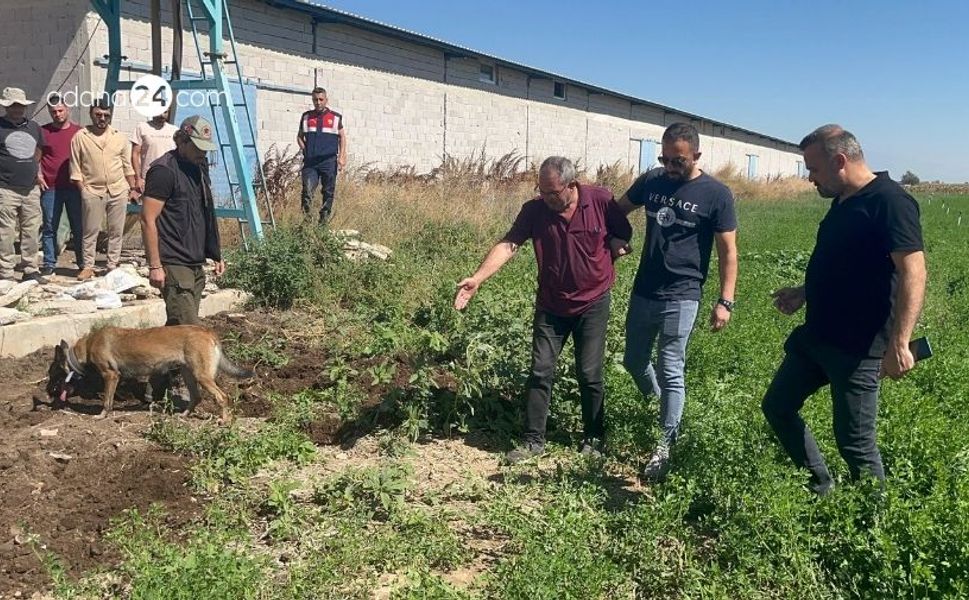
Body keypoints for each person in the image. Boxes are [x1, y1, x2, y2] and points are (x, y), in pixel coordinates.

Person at [761, 124, 926, 495]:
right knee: (777, 407)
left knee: (854, 442)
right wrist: (805, 292)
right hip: (817, 336)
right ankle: (822, 488)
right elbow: (848, 264)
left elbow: (913, 271)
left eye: (814, 169)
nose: (809, 179)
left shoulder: (890, 201)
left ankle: (873, 526)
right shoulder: (843, 200)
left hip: (858, 348)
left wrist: (899, 343)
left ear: (839, 161)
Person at [454, 156, 633, 464]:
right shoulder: (535, 210)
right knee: (540, 371)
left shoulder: (600, 200)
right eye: (542, 190)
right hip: (551, 304)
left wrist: (618, 242)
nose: (547, 198)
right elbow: (510, 243)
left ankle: (594, 438)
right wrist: (478, 278)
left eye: (553, 192)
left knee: (589, 373)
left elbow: (623, 232)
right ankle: (533, 441)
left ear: (572, 185)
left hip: (593, 302)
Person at [615, 122, 738, 480]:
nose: (670, 166)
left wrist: (725, 300)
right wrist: (614, 240)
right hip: (644, 290)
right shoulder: (652, 181)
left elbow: (728, 251)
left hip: (682, 295)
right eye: (665, 158)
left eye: (678, 160)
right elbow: (614, 212)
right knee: (634, 361)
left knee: (671, 368)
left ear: (696, 156)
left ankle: (664, 445)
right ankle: (658, 407)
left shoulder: (716, 194)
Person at [141, 115, 224, 405]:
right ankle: (187, 393)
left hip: (194, 260)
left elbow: (206, 211)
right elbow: (148, 219)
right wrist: (155, 265)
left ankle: (154, 386)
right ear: (182, 141)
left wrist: (215, 252)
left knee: (175, 325)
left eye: (205, 147)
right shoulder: (163, 171)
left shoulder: (199, 167)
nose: (203, 153)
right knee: (189, 332)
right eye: (197, 147)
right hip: (173, 261)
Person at [69, 97, 138, 280]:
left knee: (116, 230)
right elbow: (75, 168)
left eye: (106, 115)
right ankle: (88, 266)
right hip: (92, 190)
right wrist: (83, 190)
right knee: (90, 231)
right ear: (91, 114)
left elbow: (127, 166)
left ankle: (112, 265)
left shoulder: (119, 137)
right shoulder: (80, 137)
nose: (102, 118)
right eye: (98, 114)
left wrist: (132, 188)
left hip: (117, 189)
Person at [0, 87, 47, 284]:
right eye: (13, 106)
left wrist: (36, 171)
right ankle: (6, 272)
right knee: (6, 232)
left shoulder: (34, 127)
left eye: (20, 105)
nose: (17, 109)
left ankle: (30, 269)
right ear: (6, 107)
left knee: (32, 230)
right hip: (6, 188)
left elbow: (39, 150)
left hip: (30, 188)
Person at [38, 94, 83, 275]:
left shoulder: (79, 132)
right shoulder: (43, 132)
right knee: (50, 226)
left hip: (74, 187)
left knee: (78, 226)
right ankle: (49, 263)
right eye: (53, 112)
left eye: (60, 110)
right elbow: (36, 156)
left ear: (67, 110)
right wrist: (38, 174)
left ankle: (83, 263)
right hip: (50, 187)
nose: (57, 114)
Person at [297, 87, 346, 224]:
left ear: (326, 100)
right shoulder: (306, 117)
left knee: (328, 192)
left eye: (320, 99)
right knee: (307, 191)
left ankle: (323, 223)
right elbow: (299, 137)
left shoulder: (335, 118)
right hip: (310, 163)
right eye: (315, 100)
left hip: (328, 162)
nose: (318, 102)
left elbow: (342, 137)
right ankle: (307, 222)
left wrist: (342, 156)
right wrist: (305, 149)